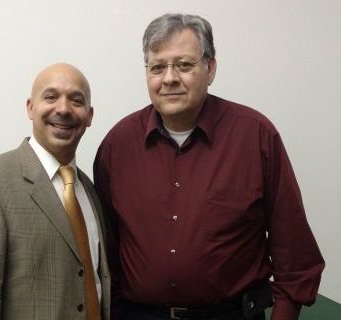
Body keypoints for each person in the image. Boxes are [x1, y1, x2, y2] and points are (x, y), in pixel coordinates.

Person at [93, 13, 324, 320]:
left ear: (210, 68)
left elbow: (295, 253)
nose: (170, 77)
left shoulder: (256, 136)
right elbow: (107, 254)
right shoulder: (117, 146)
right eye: (158, 67)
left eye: (184, 65)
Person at [0, 63, 110, 320]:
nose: (64, 109)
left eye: (76, 100)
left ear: (89, 116)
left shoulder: (90, 190)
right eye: (51, 96)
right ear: (30, 108)